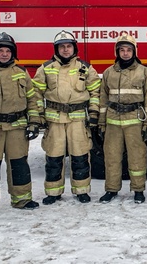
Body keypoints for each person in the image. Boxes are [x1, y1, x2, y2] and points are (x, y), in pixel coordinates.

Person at [33, 30, 100, 204]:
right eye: (61, 47)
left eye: (68, 46)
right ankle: (53, 193)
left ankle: (82, 191)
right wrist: (39, 115)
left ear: (74, 48)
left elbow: (96, 92)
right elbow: (36, 93)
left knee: (80, 157)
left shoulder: (85, 68)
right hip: (54, 120)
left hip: (78, 121)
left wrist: (93, 113)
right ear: (56, 49)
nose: (65, 50)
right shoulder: (46, 68)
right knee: (54, 158)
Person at [98, 33, 147, 204]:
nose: (125, 53)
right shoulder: (108, 72)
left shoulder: (144, 72)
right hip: (113, 120)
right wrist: (101, 122)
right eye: (122, 50)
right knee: (112, 157)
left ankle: (138, 190)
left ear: (134, 51)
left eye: (129, 50)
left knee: (137, 156)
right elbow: (103, 99)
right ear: (117, 52)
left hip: (134, 119)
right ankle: (111, 189)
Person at [0, 32, 41, 210]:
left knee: (19, 164)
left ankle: (22, 199)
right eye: (1, 50)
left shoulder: (21, 73)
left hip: (17, 127)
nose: (5, 54)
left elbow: (32, 99)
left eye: (8, 50)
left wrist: (34, 122)